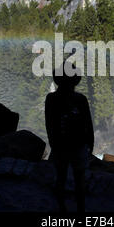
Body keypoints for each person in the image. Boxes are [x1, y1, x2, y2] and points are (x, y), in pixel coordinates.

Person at [45, 62, 94, 213]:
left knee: (61, 177)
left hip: (61, 146)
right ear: (75, 80)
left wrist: (53, 143)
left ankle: (62, 208)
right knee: (79, 180)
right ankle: (80, 209)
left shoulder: (51, 98)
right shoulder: (81, 99)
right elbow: (88, 125)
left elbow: (49, 123)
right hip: (78, 146)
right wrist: (90, 145)